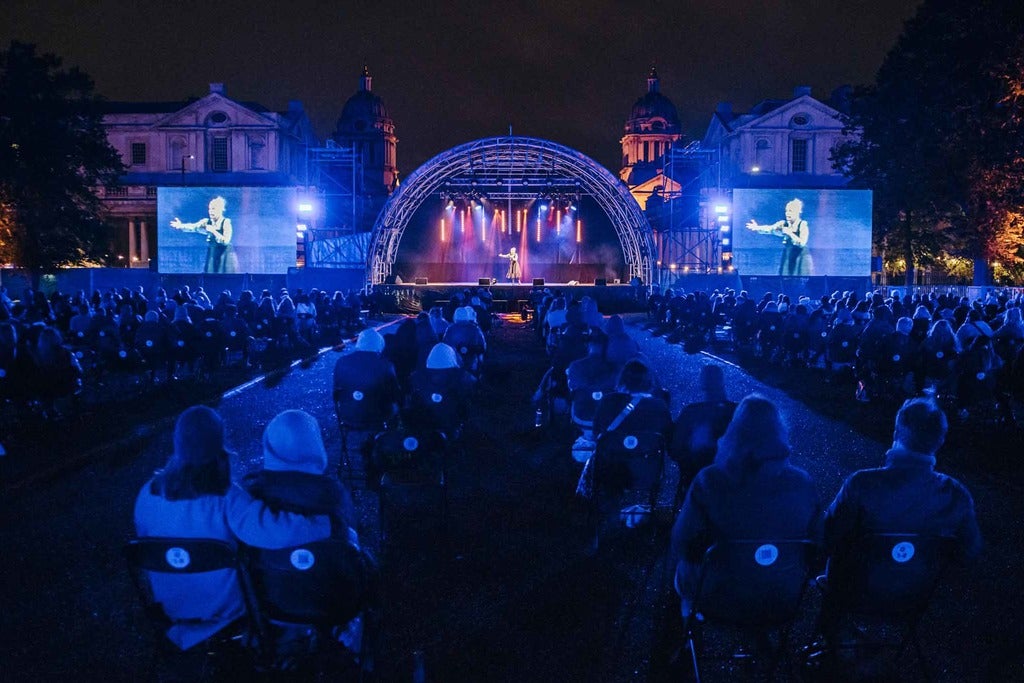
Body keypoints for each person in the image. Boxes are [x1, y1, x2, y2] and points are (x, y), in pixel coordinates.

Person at [133, 406, 332, 651]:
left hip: (172, 610)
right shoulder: (227, 499)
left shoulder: (146, 495)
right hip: (224, 612)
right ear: (219, 443)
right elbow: (276, 531)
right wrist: (322, 524)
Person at [669, 394, 821, 613]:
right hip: (782, 595)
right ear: (780, 432)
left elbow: (681, 541)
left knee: (683, 570)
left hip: (718, 594)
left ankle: (687, 635)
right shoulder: (803, 482)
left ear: (734, 431)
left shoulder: (711, 480)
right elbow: (818, 541)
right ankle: (758, 637)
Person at [170, 196, 237, 274]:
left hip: (225, 255)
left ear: (221, 210)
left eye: (214, 209)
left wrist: (213, 231)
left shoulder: (226, 222)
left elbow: (226, 241)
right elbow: (194, 227)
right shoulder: (206, 222)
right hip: (213, 253)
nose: (211, 212)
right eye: (210, 209)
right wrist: (180, 225)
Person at [745, 198, 811, 276]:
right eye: (786, 211)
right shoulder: (783, 224)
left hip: (800, 257)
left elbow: (802, 243)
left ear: (798, 212)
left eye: (790, 211)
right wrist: (757, 227)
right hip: (788, 255)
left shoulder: (802, 224)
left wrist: (790, 233)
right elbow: (770, 229)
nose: (787, 213)